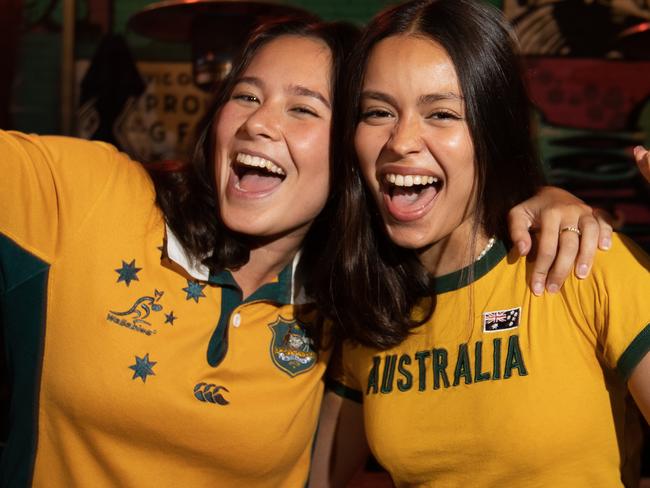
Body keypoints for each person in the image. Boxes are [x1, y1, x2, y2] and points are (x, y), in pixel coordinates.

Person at [0, 13, 612, 488]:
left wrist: (540, 199)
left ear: (352, 152)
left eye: (303, 109)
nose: (258, 124)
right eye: (245, 96)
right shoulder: (91, 196)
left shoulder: (341, 309)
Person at [311, 1, 650, 486]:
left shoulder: (580, 260)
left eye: (442, 113)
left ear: (492, 131)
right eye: (378, 111)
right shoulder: (371, 308)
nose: (401, 140)